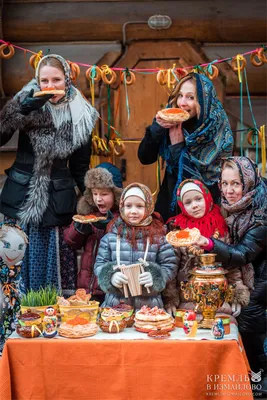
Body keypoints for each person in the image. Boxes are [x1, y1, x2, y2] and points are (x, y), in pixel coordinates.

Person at [0, 54, 98, 295]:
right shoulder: (24, 101)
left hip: (57, 200)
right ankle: (14, 318)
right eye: (45, 81)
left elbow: (80, 167)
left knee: (55, 261)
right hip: (22, 196)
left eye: (57, 80)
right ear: (37, 81)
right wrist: (24, 109)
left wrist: (92, 201)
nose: (50, 86)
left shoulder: (81, 115)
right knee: (15, 258)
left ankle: (53, 315)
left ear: (68, 79)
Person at [194, 156, 267, 378]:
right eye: (225, 183)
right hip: (244, 279)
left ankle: (258, 379)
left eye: (235, 183)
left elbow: (242, 255)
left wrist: (208, 243)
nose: (229, 190)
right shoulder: (231, 207)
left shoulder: (260, 215)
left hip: (260, 282)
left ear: (248, 182)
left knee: (250, 324)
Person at [138, 72, 233, 222]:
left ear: (204, 101)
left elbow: (201, 183)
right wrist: (157, 128)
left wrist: (178, 147)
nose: (182, 103)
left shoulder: (216, 127)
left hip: (202, 210)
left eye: (190, 97)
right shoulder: (171, 121)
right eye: (180, 95)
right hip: (169, 204)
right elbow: (145, 157)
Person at [162, 179, 250, 322]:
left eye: (198, 199)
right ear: (182, 206)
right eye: (188, 202)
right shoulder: (178, 232)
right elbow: (172, 268)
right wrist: (170, 299)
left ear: (207, 198)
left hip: (219, 302)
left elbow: (232, 265)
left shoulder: (220, 228)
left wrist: (236, 295)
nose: (195, 205)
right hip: (188, 302)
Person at [94, 182, 178, 309]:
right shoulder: (110, 237)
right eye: (128, 206)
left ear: (148, 207)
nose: (133, 211)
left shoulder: (159, 237)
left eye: (139, 206)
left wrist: (155, 277)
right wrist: (111, 276)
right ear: (122, 207)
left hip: (150, 307)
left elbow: (170, 265)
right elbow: (99, 265)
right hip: (115, 306)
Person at [64, 162, 123, 303]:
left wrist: (109, 226)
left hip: (110, 286)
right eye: (95, 193)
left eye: (104, 194)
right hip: (86, 286)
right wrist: (79, 229)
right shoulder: (87, 214)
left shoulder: (122, 217)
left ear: (116, 194)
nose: (98, 199)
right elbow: (70, 241)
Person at [0, 222, 28, 355]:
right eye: (7, 246)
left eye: (20, 247)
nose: (14, 252)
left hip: (11, 336)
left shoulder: (16, 278)